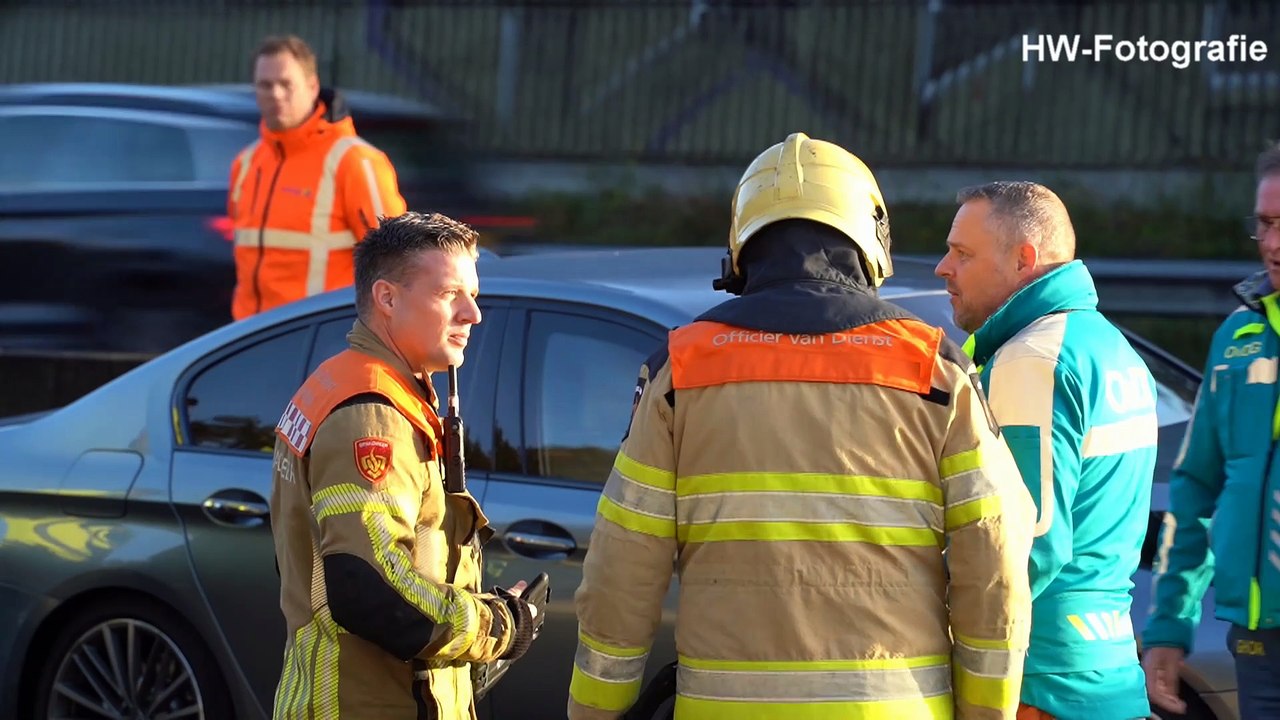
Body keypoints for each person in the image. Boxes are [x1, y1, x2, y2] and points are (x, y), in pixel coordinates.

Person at [568, 132, 1036, 720]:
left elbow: (621, 569)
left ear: (744, 242)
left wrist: (595, 712)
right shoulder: (934, 370)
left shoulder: (683, 370)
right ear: (870, 237)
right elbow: (994, 561)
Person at [269, 212, 543, 719]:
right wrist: (498, 626)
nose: (472, 314)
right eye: (449, 294)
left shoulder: (347, 382)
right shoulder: (371, 417)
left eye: (473, 295)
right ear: (388, 298)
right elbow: (371, 590)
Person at [934, 181, 1158, 720]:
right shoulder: (1109, 347)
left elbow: (1023, 543)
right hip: (1105, 667)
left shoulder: (1032, 358)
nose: (943, 268)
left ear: (1024, 259)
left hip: (1039, 682)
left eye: (962, 254)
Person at [1142, 144, 1280, 718]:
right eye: (1265, 224)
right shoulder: (1237, 336)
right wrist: (1169, 623)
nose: (1273, 243)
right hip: (1256, 641)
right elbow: (1196, 486)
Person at [228, 34, 407, 321]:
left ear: (312, 87)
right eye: (265, 85)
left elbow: (396, 264)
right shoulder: (246, 163)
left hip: (325, 335)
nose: (276, 94)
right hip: (254, 335)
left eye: (286, 84)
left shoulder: (355, 161)